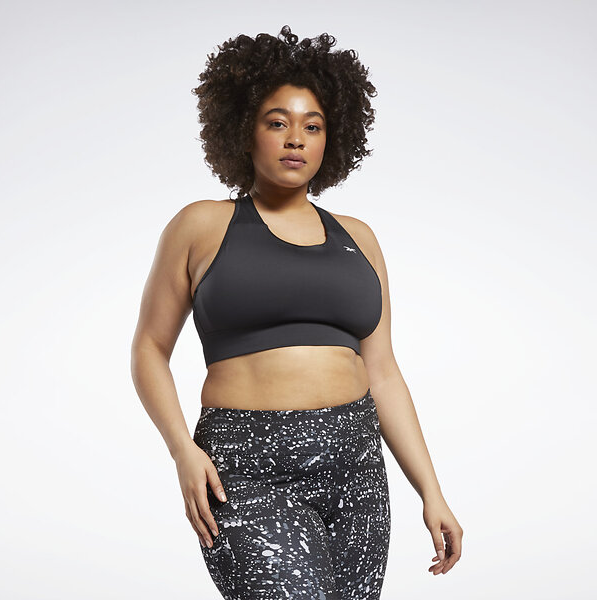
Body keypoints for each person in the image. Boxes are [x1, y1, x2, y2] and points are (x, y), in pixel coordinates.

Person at [130, 25, 463, 600]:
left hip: (355, 465)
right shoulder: (202, 225)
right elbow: (149, 349)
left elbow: (383, 372)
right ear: (244, 131)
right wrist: (183, 449)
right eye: (277, 122)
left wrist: (431, 491)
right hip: (247, 464)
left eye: (313, 126)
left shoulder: (359, 238)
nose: (295, 139)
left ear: (332, 139)